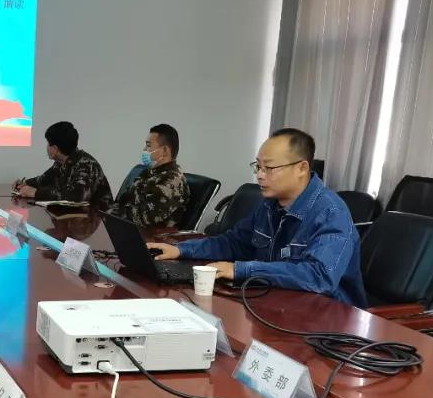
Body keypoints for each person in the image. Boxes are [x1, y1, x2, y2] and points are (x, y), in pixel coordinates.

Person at [148, 128, 366, 307]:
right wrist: (181, 250)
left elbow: (319, 276)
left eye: (269, 168)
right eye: (258, 167)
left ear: (302, 168)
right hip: (276, 302)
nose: (260, 175)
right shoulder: (269, 205)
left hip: (327, 316)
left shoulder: (331, 212)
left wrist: (240, 270)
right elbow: (234, 243)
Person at [14, 121, 113, 207]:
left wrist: (36, 193)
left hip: (98, 218)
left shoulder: (86, 165)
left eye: (48, 143)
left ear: (55, 149)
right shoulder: (61, 162)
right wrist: (25, 183)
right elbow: (44, 179)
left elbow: (76, 197)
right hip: (75, 215)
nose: (47, 147)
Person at [110, 124, 190, 227]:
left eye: (148, 145)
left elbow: (143, 217)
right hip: (125, 227)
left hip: (148, 234)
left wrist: (113, 211)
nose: (144, 149)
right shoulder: (150, 173)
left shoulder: (173, 181)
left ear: (164, 150)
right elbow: (125, 198)